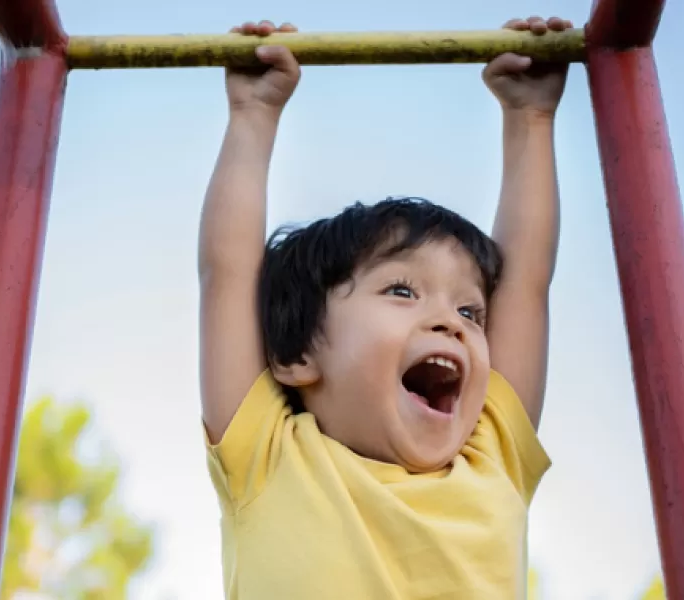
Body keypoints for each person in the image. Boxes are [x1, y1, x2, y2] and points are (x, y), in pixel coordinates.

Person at [197, 15, 570, 599]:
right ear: (297, 354)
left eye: (471, 313)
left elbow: (525, 284)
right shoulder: (269, 458)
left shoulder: (492, 455)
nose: (451, 320)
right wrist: (252, 117)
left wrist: (530, 119)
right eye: (402, 290)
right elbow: (229, 275)